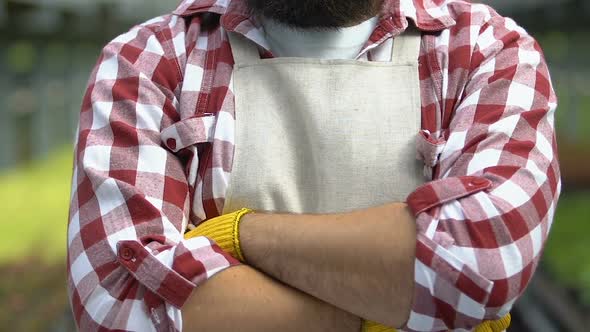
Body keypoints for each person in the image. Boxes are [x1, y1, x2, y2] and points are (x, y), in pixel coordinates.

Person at [66, 0, 560, 331]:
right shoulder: (150, 60)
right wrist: (389, 312)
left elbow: (482, 261)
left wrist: (241, 236)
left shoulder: (481, 49)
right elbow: (120, 302)